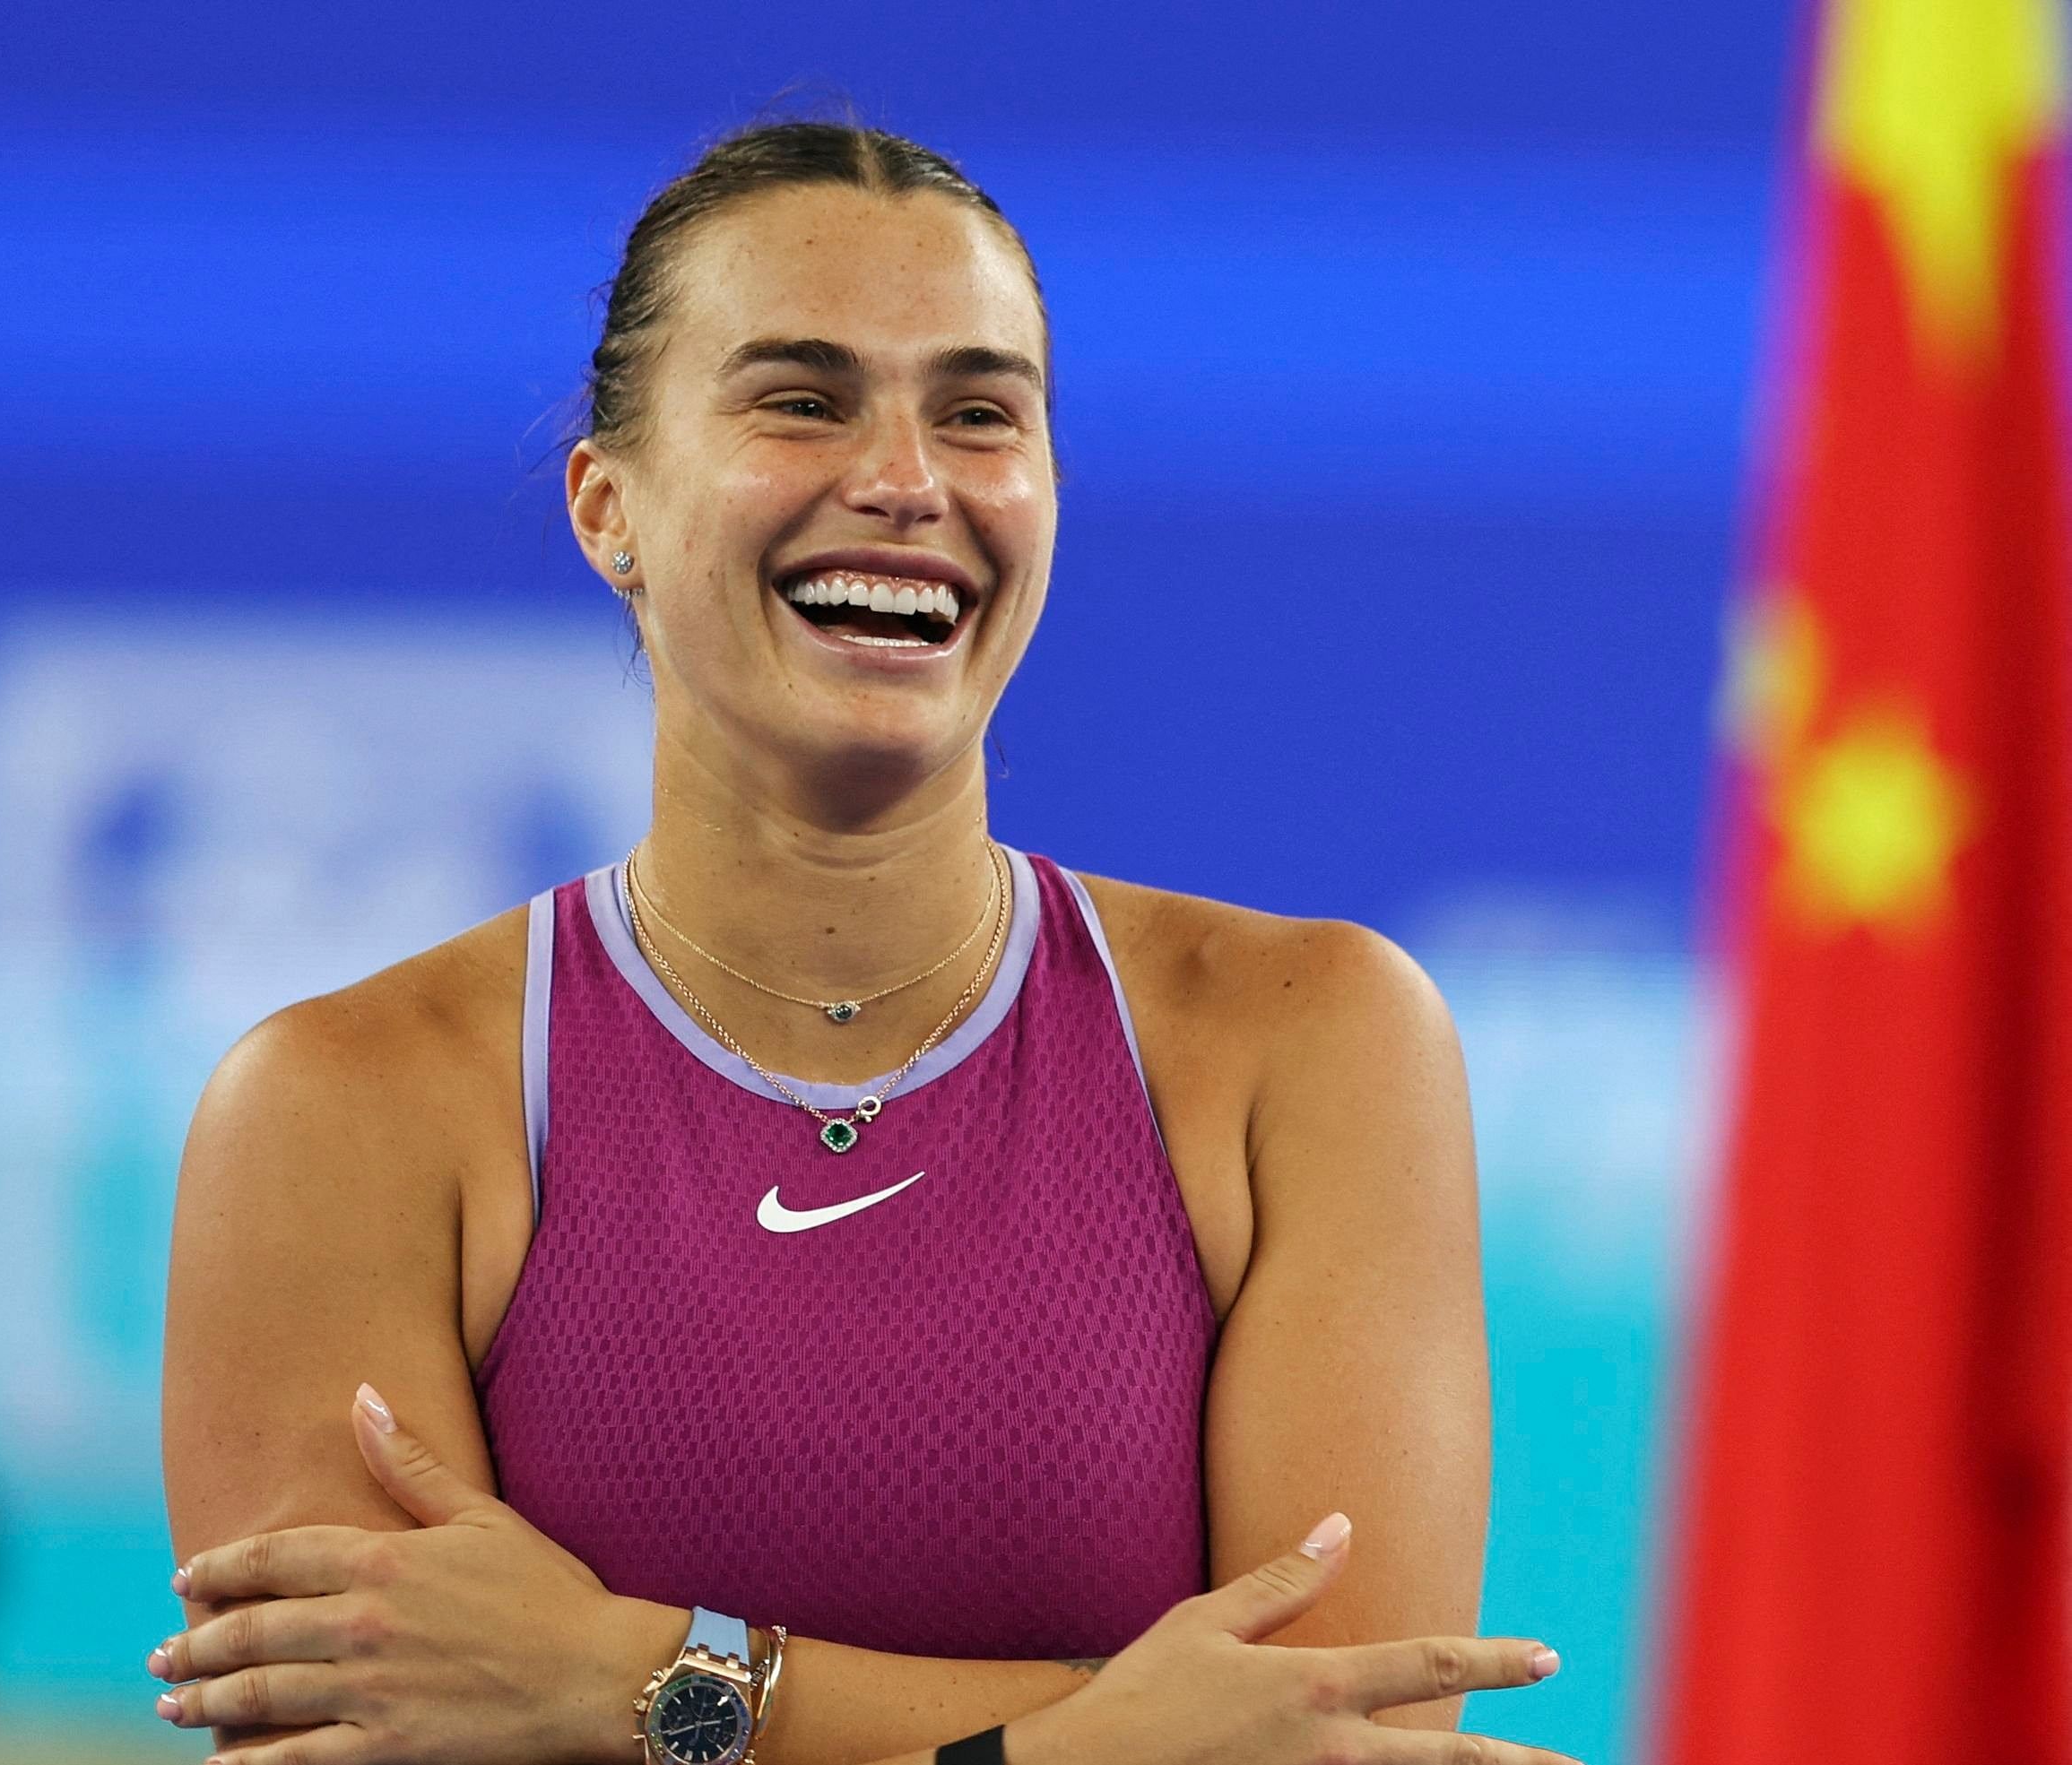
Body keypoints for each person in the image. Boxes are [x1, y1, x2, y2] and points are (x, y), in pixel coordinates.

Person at [152, 120, 1574, 1765]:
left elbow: (1337, 1745)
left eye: (980, 413)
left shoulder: (1312, 1044)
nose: (908, 481)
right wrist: (1115, 1739)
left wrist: (638, 1681)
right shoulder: (341, 1111)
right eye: (802, 398)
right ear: (607, 506)